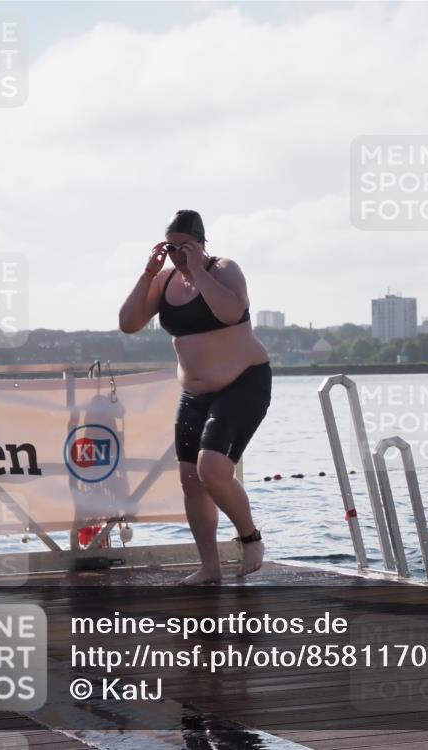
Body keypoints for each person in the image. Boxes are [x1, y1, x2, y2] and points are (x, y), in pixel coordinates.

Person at [119, 210, 270, 584]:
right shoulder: (165, 279)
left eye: (185, 247)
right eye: (171, 248)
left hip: (243, 382)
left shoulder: (224, 269)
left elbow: (231, 310)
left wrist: (198, 270)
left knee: (213, 469)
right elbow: (129, 323)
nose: (178, 256)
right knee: (189, 478)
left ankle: (250, 537)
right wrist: (149, 273)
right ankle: (210, 566)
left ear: (202, 244)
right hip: (194, 393)